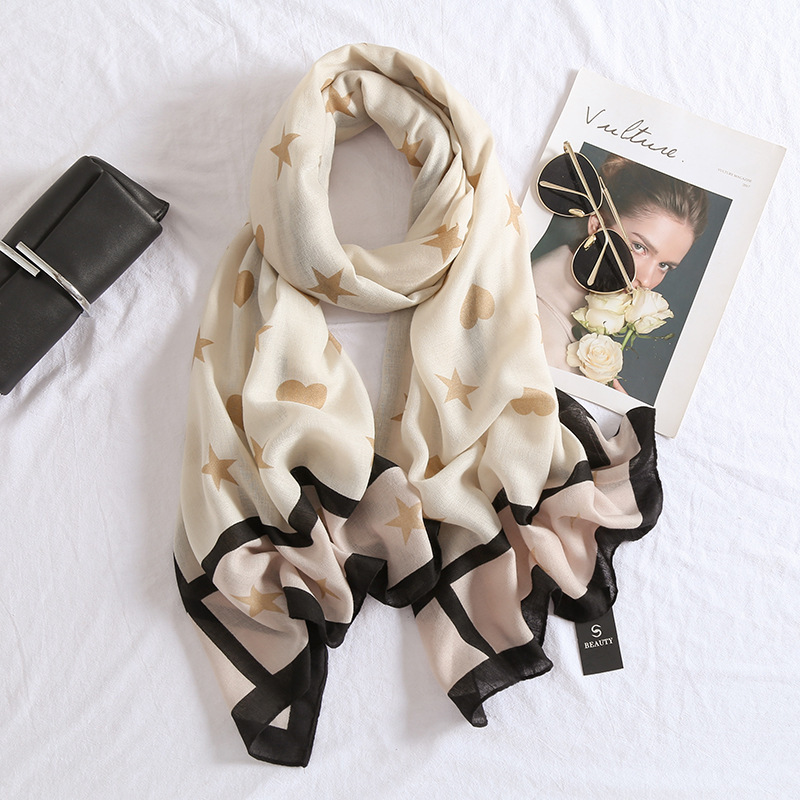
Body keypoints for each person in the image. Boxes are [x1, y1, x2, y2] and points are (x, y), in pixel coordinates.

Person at [531, 154, 709, 375]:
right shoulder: (537, 323)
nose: (647, 280)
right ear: (598, 226)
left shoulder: (591, 312)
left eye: (664, 265)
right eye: (639, 247)